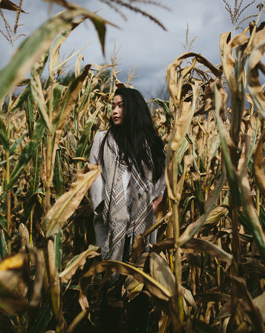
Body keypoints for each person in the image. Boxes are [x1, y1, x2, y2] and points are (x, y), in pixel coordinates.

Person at [88, 86, 166, 331]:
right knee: (111, 280)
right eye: (113, 105)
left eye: (120, 105)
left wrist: (157, 199)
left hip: (141, 226)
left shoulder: (150, 143)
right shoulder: (102, 140)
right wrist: (104, 206)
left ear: (132, 109)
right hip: (113, 222)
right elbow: (93, 175)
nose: (114, 110)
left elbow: (161, 178)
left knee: (139, 284)